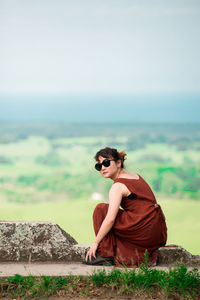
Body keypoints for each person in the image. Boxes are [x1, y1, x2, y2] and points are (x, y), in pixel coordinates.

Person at [83, 147, 167, 267]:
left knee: (101, 209)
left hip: (143, 230)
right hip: (156, 234)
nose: (103, 168)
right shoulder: (136, 176)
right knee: (110, 211)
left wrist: (96, 243)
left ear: (118, 163)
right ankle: (111, 251)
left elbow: (110, 218)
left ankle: (105, 254)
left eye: (106, 163)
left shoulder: (118, 186)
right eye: (99, 166)